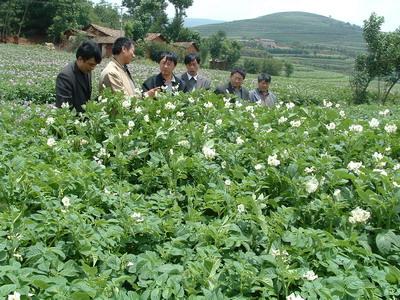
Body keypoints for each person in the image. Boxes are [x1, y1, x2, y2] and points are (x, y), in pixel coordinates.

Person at [56, 40, 102, 112]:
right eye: (91, 64)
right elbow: (64, 110)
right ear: (80, 59)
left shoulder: (86, 70)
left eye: (95, 65)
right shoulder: (65, 77)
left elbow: (85, 99)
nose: (93, 68)